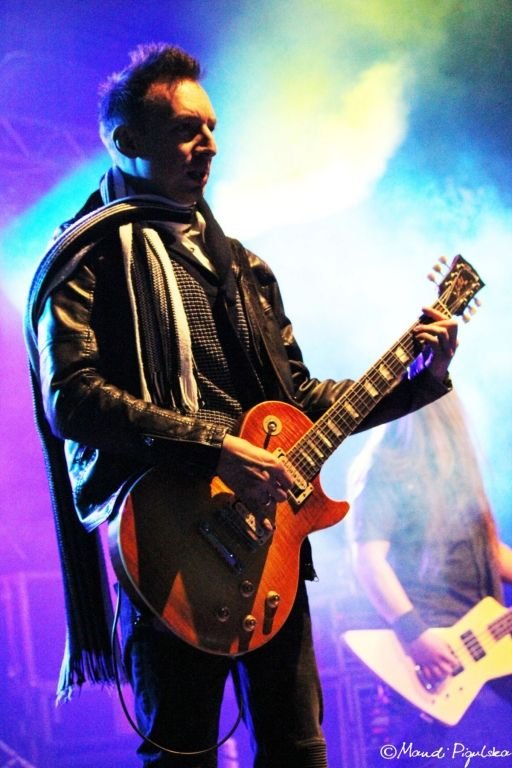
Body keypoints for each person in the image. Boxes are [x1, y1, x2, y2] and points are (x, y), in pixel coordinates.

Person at [25, 43, 458, 768]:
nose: (210, 146)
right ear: (126, 141)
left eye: (212, 128)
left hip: (269, 541)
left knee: (299, 751)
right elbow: (74, 399)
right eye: (186, 130)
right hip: (169, 540)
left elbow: (301, 401)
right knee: (184, 756)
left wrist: (419, 377)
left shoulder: (246, 269)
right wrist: (215, 447)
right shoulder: (85, 258)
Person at [348, 390, 512, 767]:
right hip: (435, 647)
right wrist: (415, 633)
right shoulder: (385, 466)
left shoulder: (459, 470)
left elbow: (490, 550)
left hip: (489, 642)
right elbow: (368, 560)